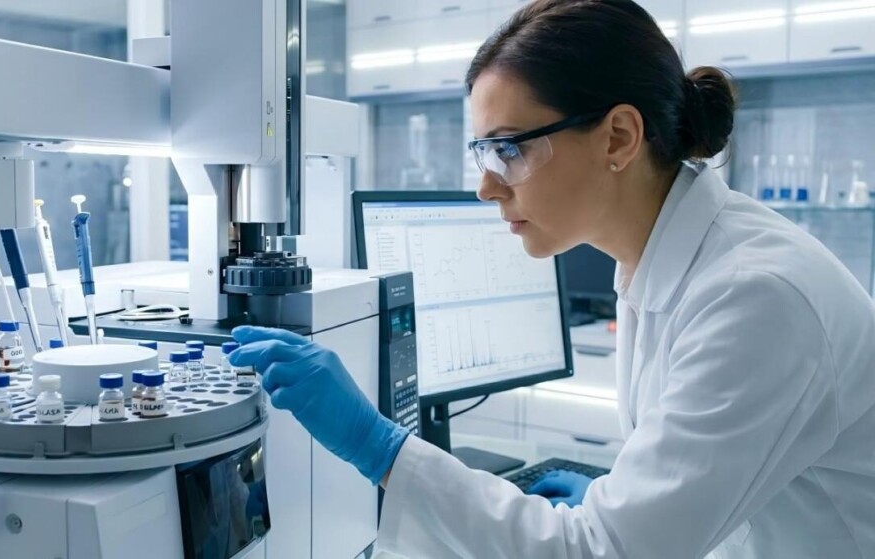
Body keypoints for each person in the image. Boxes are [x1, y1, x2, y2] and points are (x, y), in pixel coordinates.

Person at [229, 0, 875, 557]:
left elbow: (602, 552)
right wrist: (621, 494)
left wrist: (378, 445)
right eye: (482, 151)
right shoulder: (664, 259)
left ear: (618, 137)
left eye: (508, 148)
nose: (485, 186)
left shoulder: (754, 296)